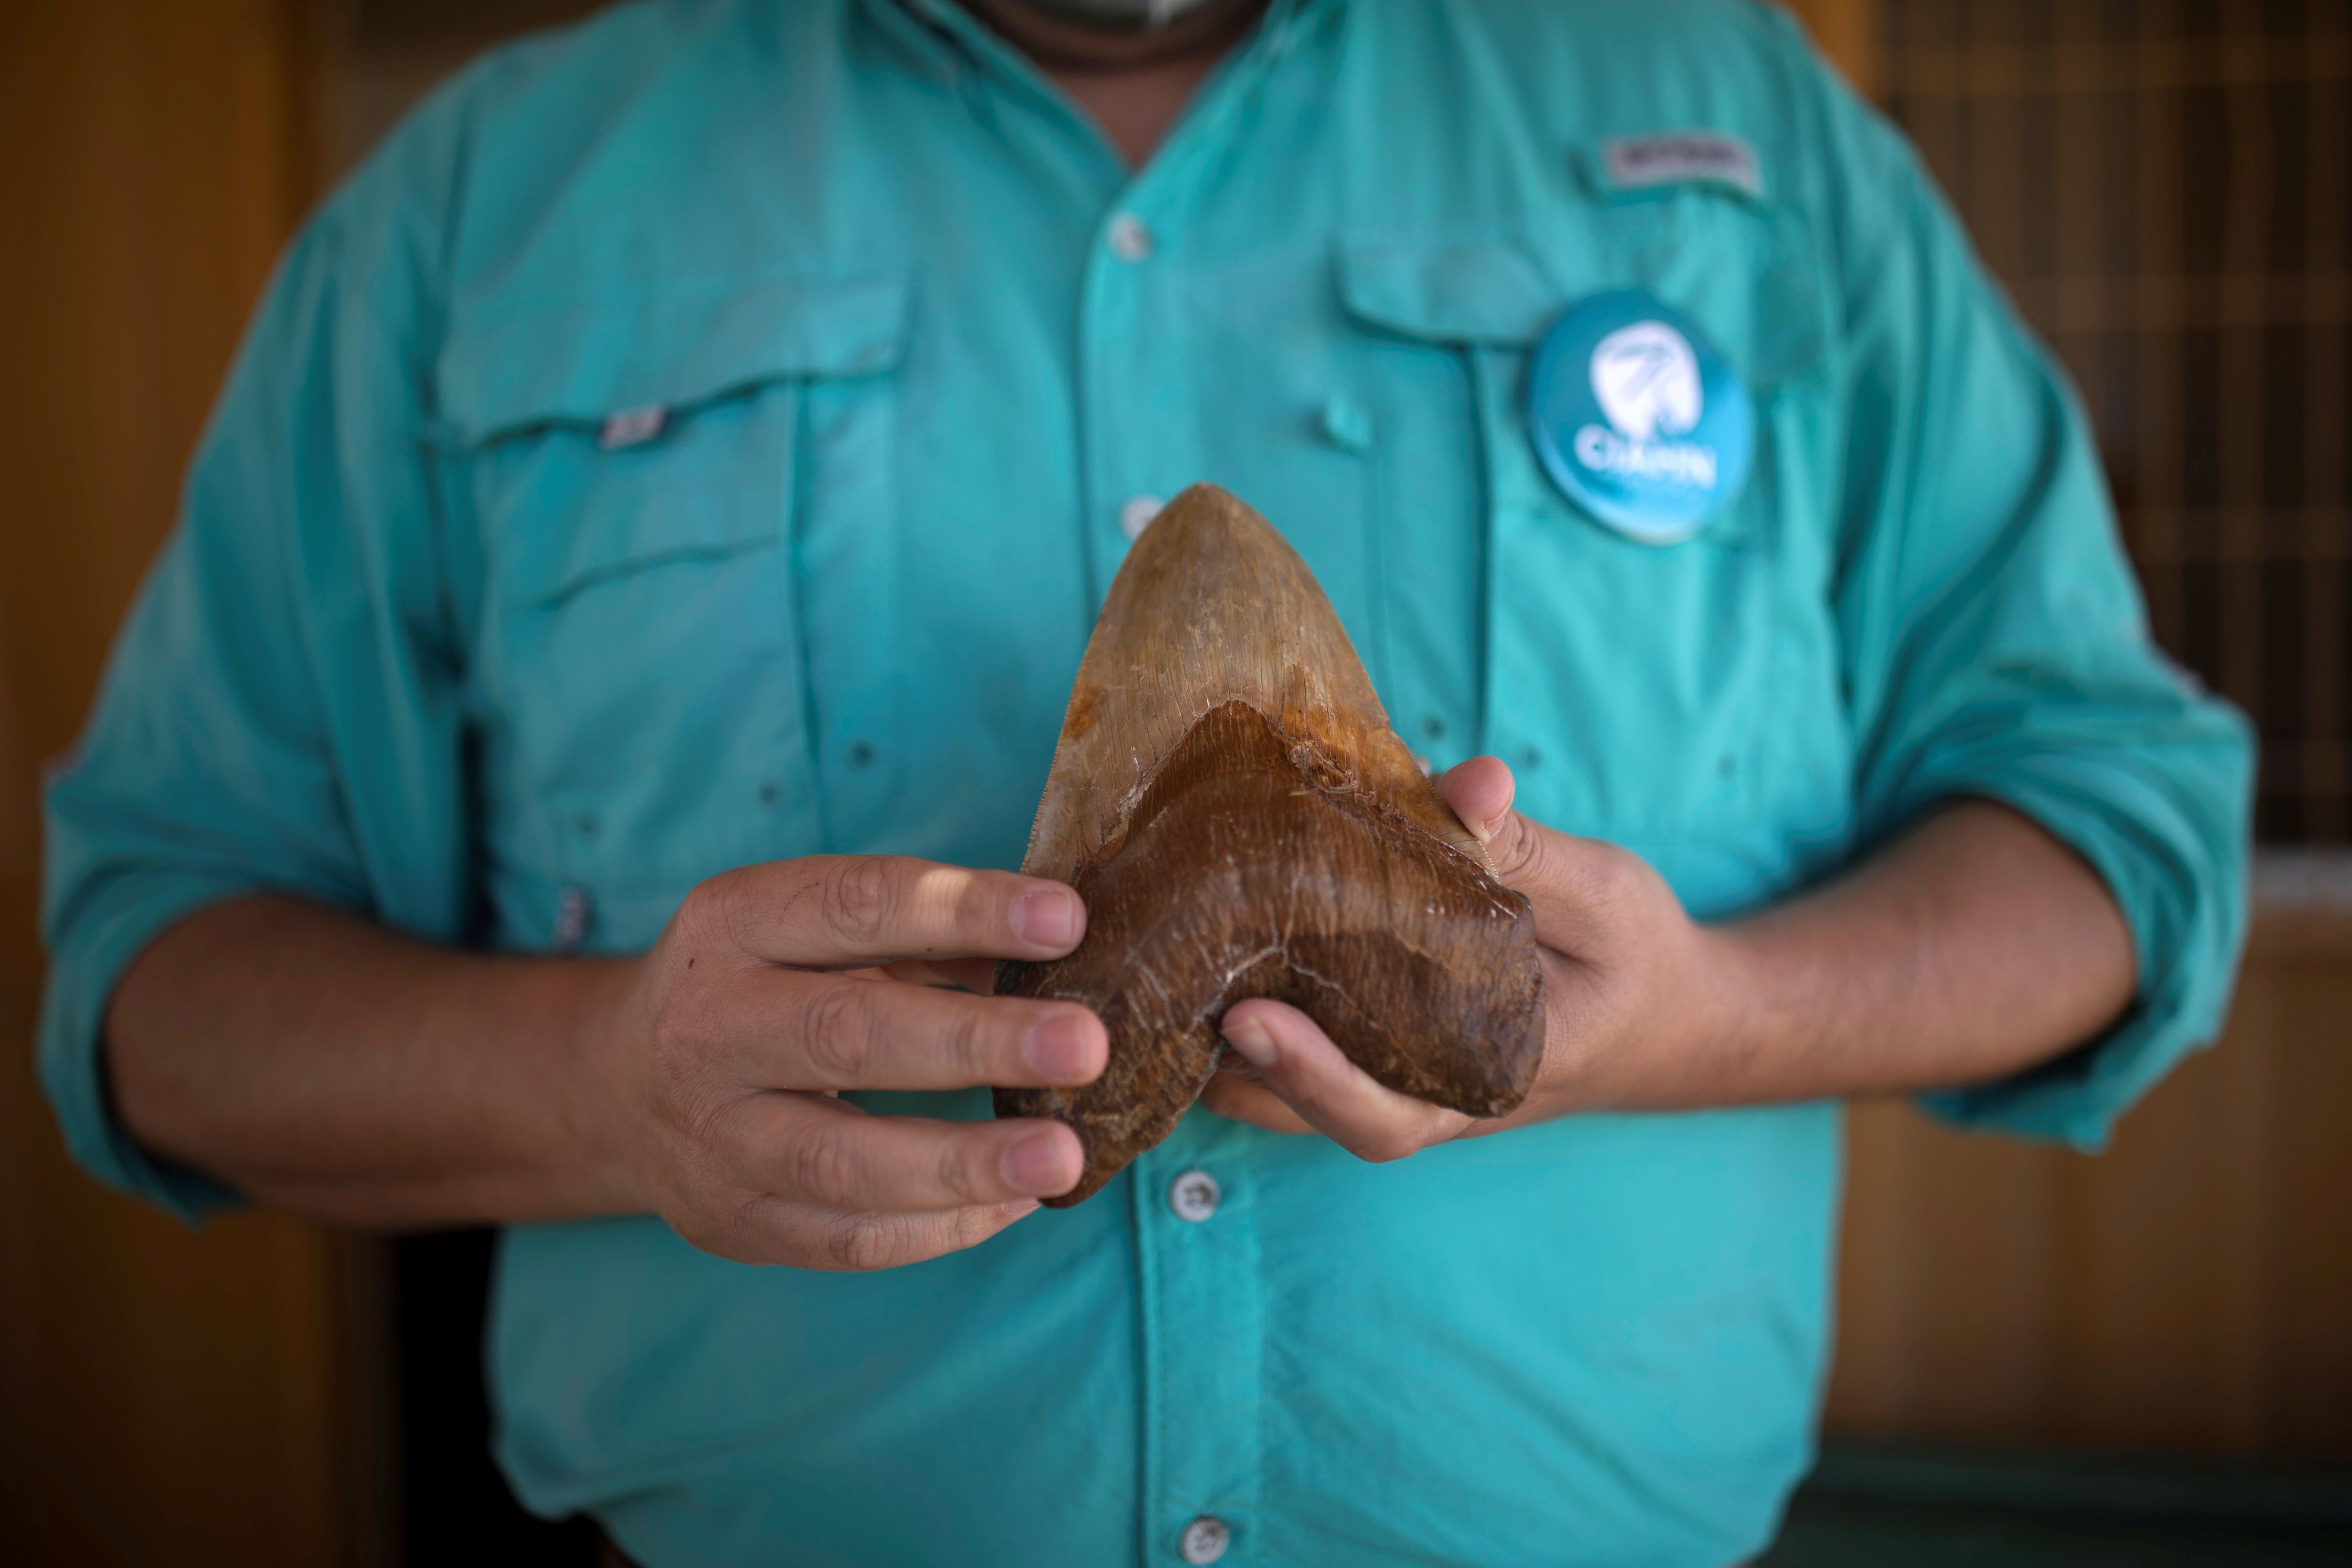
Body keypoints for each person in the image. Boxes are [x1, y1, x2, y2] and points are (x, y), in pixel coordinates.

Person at [40, 0, 2251, 1563]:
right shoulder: (485, 209)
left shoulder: (1738, 130)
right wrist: (600, 1083)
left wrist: (1710, 1020)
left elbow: (2115, 831)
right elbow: (160, 984)